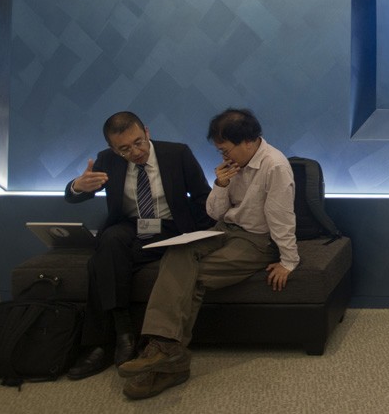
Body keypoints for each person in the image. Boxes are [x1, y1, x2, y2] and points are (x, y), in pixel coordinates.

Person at [117, 108, 299, 400]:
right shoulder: (232, 166)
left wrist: (289, 261)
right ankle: (166, 350)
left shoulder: (274, 166)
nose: (223, 157)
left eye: (225, 150)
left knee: (189, 278)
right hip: (224, 229)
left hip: (256, 240)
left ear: (248, 142)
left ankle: (167, 360)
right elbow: (214, 213)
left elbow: (281, 217)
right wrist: (221, 184)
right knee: (177, 254)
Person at [64, 111, 212, 380]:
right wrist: (77, 186)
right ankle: (124, 332)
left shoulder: (177, 154)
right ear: (112, 149)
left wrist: (198, 236)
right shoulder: (108, 160)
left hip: (169, 228)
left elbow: (204, 197)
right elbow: (74, 197)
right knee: (109, 241)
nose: (135, 152)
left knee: (99, 262)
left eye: (139, 142)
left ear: (146, 131)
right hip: (130, 225)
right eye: (124, 149)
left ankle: (100, 345)